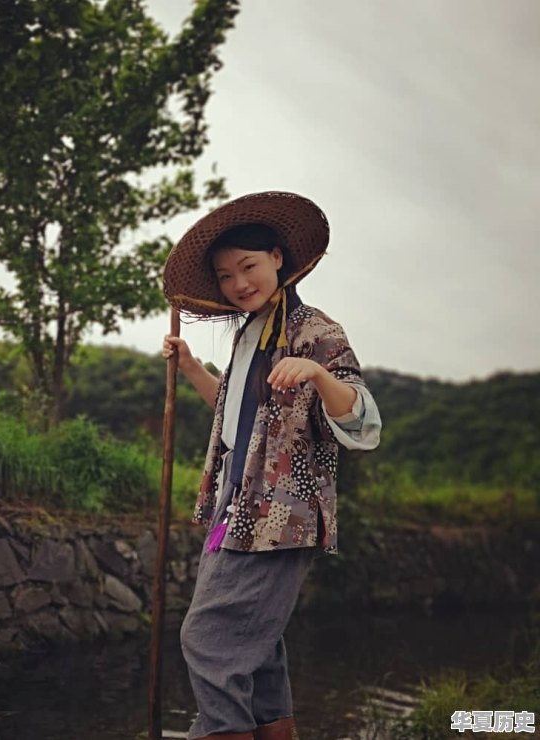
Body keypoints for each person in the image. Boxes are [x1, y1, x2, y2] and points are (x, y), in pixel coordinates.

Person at [161, 191, 382, 740]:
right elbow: (237, 415)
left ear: (278, 258)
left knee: (208, 638)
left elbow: (362, 422)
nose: (239, 283)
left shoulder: (316, 331)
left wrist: (317, 373)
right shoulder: (246, 336)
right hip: (232, 511)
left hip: (280, 518)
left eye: (248, 267)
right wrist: (190, 367)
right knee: (257, 653)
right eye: (226, 274)